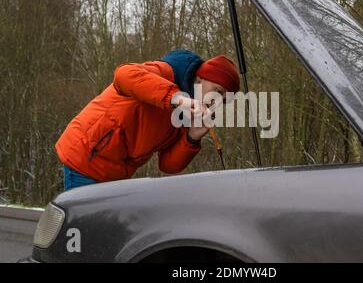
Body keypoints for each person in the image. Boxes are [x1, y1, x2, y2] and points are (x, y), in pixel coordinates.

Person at [56, 50, 240, 191]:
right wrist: (176, 98)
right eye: (217, 91)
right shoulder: (167, 72)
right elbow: (124, 74)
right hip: (86, 157)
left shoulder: (189, 116)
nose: (216, 101)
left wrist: (192, 137)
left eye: (223, 100)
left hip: (117, 175)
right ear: (200, 79)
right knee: (84, 233)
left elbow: (167, 165)